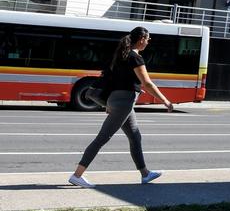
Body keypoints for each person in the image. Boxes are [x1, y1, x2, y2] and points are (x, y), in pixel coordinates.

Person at [68, 26, 173, 188]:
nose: (148, 42)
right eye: (148, 39)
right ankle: (77, 175)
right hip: (123, 103)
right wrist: (165, 100)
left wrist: (112, 102)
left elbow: (121, 80)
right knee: (102, 139)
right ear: (141, 39)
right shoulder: (135, 58)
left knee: (135, 137)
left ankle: (145, 174)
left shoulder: (122, 55)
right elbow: (148, 82)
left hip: (117, 100)